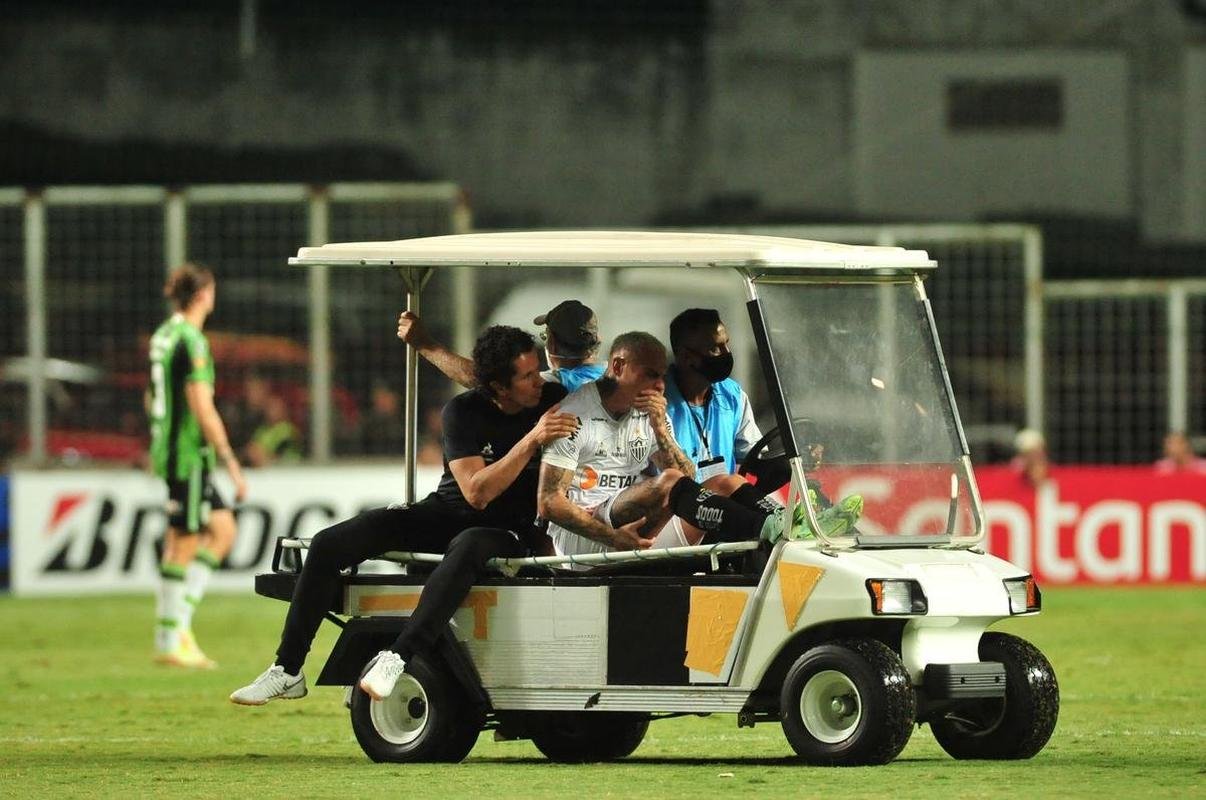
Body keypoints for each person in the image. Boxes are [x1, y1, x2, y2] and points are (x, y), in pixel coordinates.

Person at [230, 324, 577, 705]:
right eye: (527, 375)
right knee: (329, 543)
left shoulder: (555, 400)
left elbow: (490, 507)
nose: (539, 381)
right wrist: (532, 440)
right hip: (447, 512)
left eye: (537, 369)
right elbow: (477, 493)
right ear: (498, 386)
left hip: (508, 529)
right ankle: (288, 670)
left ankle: (398, 656)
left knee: (468, 544)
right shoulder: (462, 412)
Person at [537, 332, 809, 568]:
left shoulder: (649, 412)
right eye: (651, 375)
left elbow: (687, 478)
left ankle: (788, 522)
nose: (660, 385)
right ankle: (764, 527)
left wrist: (660, 428)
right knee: (668, 481)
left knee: (724, 482)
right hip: (586, 542)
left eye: (662, 376)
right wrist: (613, 537)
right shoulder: (573, 415)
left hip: (636, 531)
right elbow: (549, 502)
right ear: (618, 366)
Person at [148, 263, 248, 668]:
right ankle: (171, 639)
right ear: (204, 294)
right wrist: (231, 462)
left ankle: (179, 629)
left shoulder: (163, 335)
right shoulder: (191, 340)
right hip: (188, 455)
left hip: (177, 452)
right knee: (184, 542)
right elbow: (202, 408)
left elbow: (151, 397)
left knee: (223, 530)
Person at [395, 300, 604, 392]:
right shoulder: (613, 378)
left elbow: (480, 378)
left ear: (553, 343)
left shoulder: (555, 385)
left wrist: (425, 344)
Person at [246, 394, 303, 466]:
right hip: (261, 469)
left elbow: (281, 454)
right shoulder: (262, 429)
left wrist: (262, 456)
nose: (271, 412)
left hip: (286, 470)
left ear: (284, 410)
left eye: (275, 408)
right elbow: (251, 448)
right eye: (269, 408)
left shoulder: (288, 430)